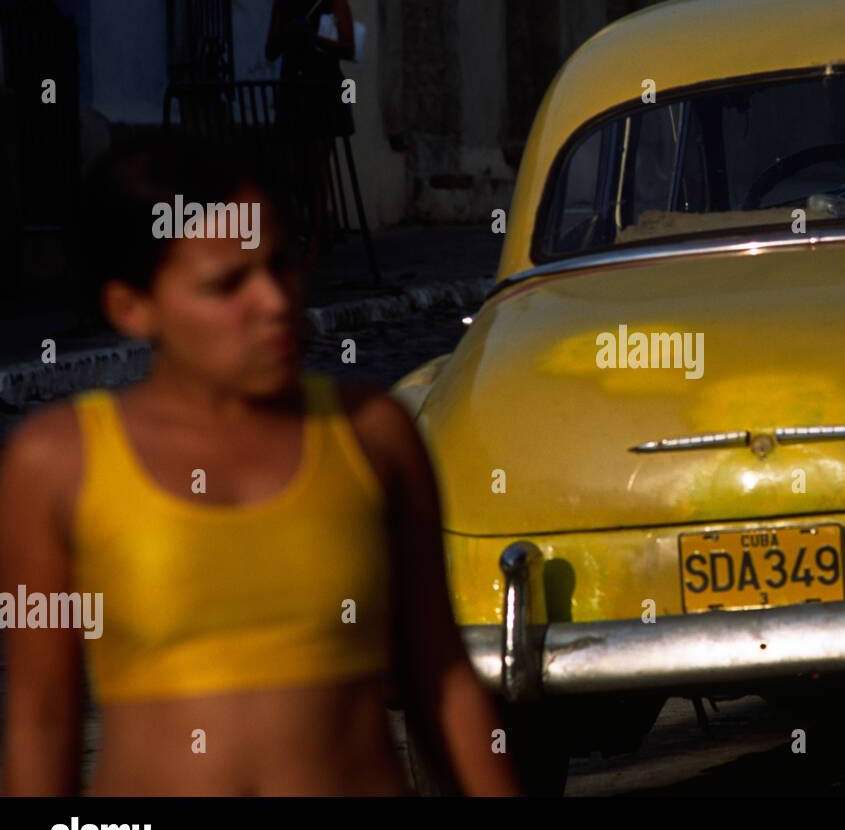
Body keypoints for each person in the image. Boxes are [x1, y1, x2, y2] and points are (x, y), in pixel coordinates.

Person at [0, 135, 522, 796]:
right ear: (131, 307)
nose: (274, 301)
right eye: (228, 284)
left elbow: (441, 677)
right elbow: (41, 721)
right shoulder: (56, 465)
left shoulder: (372, 437)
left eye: (281, 265)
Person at [265, 0, 354, 263]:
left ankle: (318, 234)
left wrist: (315, 37)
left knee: (317, 166)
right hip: (293, 88)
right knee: (292, 166)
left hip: (322, 88)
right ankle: (314, 226)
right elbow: (270, 48)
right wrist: (288, 33)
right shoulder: (284, 0)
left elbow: (348, 46)